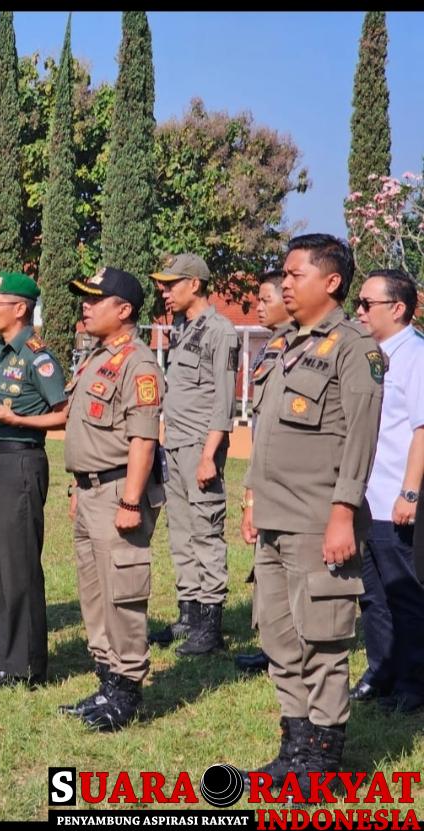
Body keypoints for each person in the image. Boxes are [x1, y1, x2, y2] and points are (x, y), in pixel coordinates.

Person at [239, 234, 383, 793]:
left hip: (318, 520)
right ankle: (294, 748)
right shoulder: (285, 344)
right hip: (274, 517)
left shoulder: (354, 348)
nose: (285, 284)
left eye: (296, 274)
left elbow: (360, 439)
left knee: (321, 642)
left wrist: (343, 512)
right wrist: (252, 498)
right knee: (279, 638)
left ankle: (323, 763)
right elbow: (267, 434)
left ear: (332, 281)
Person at [58, 266, 166, 731]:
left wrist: (130, 502)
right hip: (91, 490)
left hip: (119, 491)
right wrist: (78, 487)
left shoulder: (138, 364)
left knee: (122, 593)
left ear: (124, 310)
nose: (85, 307)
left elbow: (143, 440)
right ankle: (107, 679)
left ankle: (126, 689)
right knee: (95, 591)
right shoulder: (97, 358)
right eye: (84, 298)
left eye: (94, 299)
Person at [0, 271, 68, 690]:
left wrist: (18, 420)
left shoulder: (36, 356)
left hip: (21, 461)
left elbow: (64, 413)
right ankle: (3, 662)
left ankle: (27, 667)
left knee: (19, 566)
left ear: (21, 309)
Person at [148, 253, 239, 656]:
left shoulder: (221, 331)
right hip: (176, 444)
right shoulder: (182, 328)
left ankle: (211, 625)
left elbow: (225, 400)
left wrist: (209, 455)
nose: (165, 292)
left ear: (195, 284)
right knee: (181, 532)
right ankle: (189, 613)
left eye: (172, 285)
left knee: (206, 531)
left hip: (201, 446)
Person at [351, 268, 424, 713]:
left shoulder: (415, 355)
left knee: (404, 595)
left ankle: (413, 683)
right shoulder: (370, 356)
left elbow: (422, 429)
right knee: (371, 595)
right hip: (364, 498)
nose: (359, 311)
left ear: (397, 308)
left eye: (366, 304)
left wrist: (409, 492)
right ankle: (381, 672)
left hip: (395, 499)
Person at [236, 269, 293, 675]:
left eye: (265, 299)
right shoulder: (272, 345)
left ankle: (284, 646)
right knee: (265, 563)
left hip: (288, 475)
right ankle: (270, 642)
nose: (258, 306)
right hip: (264, 466)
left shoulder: (298, 346)